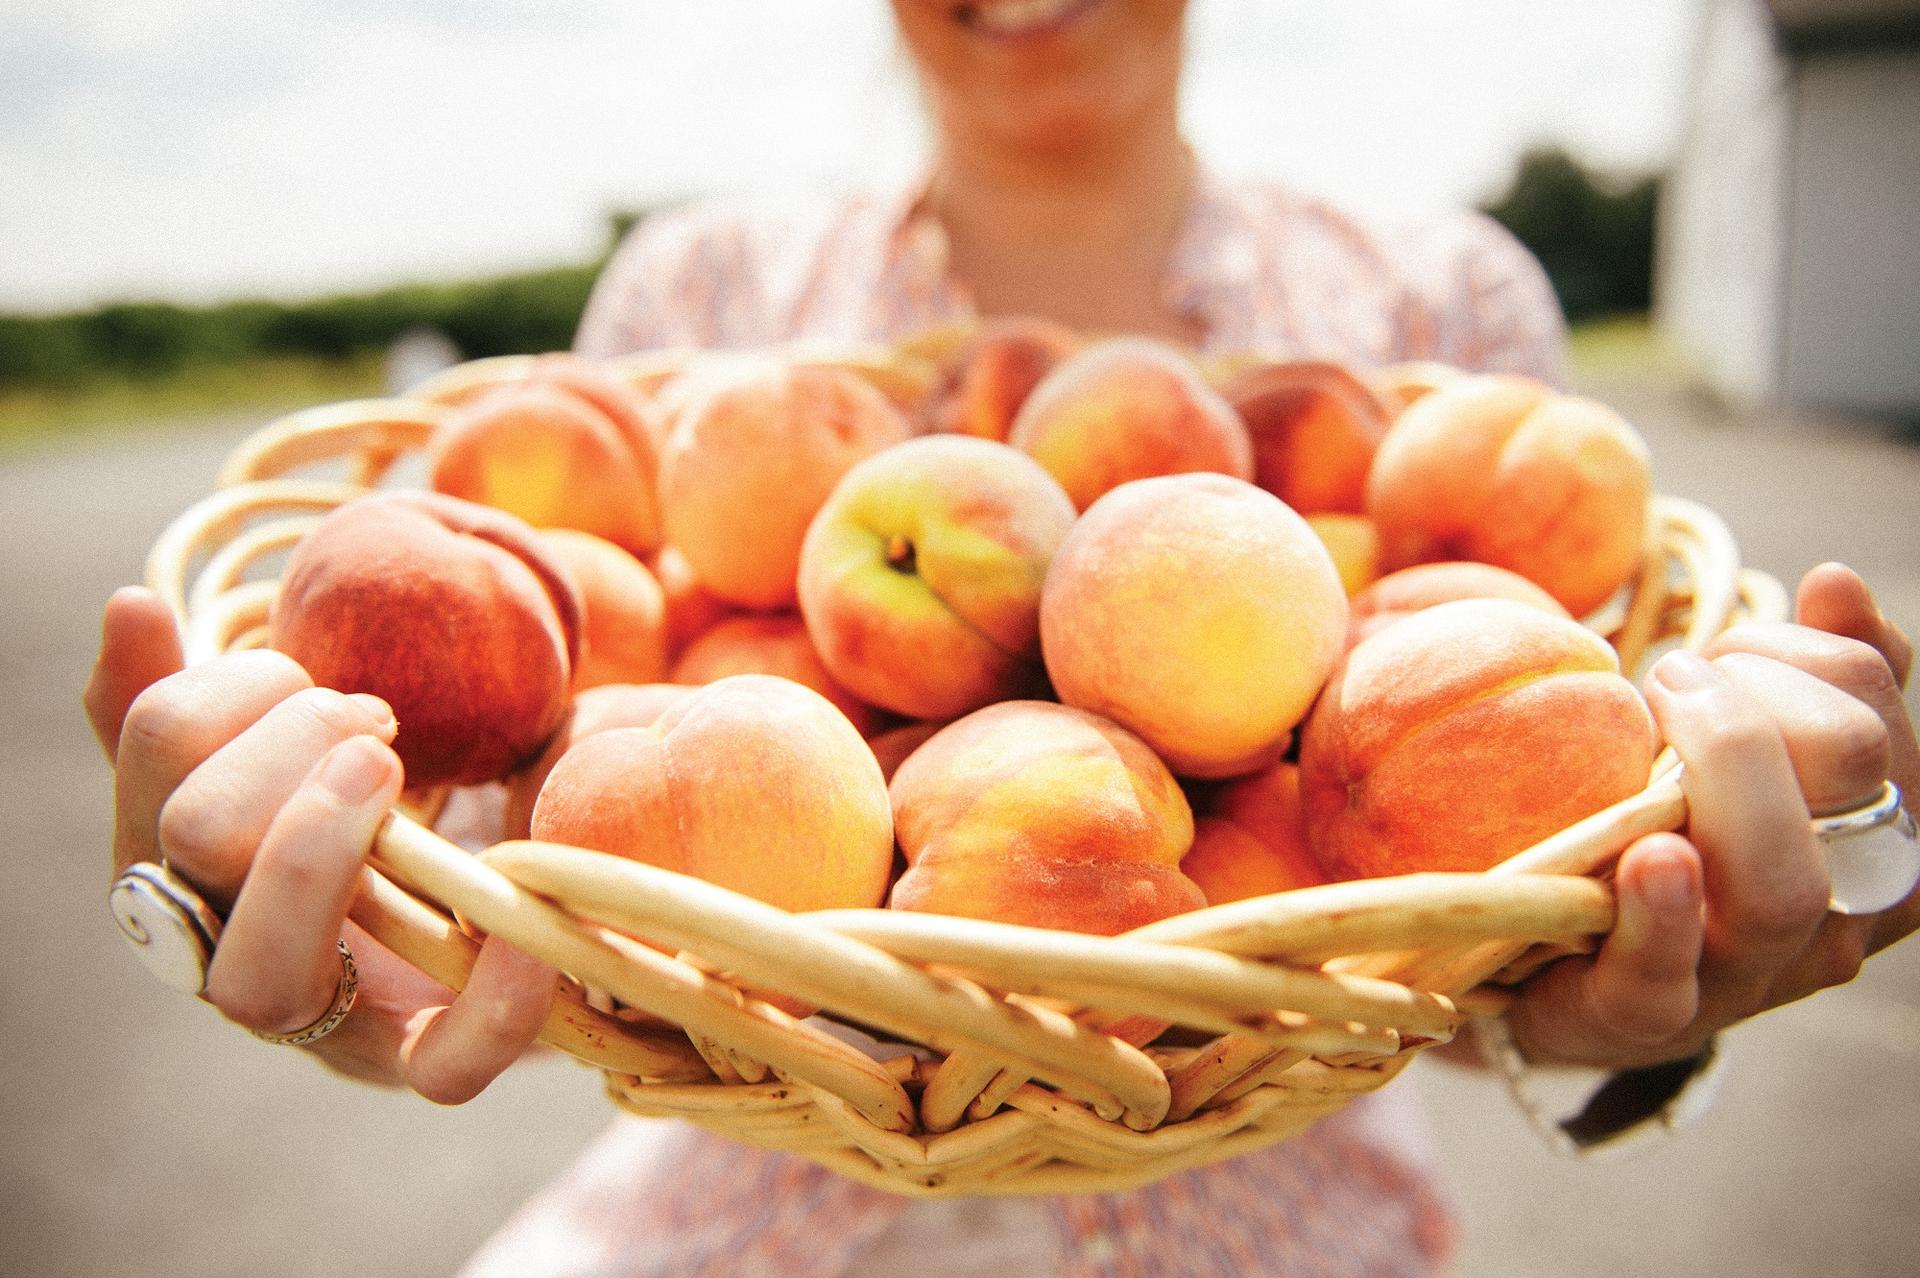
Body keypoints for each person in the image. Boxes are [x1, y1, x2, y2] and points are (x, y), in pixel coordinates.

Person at [85, 2, 1919, 1274]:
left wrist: (1627, 1004)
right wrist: (340, 949)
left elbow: (1466, 901)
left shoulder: (1428, 311)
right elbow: (519, 844)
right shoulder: (703, 314)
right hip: (724, 1224)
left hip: (1286, 1234)